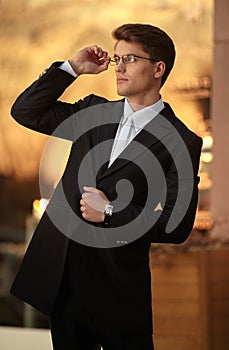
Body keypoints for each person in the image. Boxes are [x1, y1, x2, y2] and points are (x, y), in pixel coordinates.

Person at [10, 23, 202, 350]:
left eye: (130, 58)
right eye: (117, 59)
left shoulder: (182, 141)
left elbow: (178, 224)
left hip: (119, 290)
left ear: (158, 69)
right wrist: (72, 68)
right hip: (64, 281)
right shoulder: (92, 110)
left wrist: (111, 212)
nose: (119, 67)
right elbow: (25, 111)